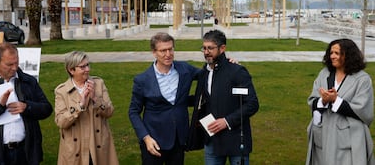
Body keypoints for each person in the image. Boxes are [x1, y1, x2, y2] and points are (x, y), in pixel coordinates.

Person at [128, 32, 202, 165]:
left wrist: (227, 63)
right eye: (163, 50)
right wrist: (146, 138)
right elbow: (133, 112)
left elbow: (207, 74)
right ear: (154, 52)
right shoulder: (142, 80)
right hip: (153, 141)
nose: (168, 54)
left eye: (170, 49)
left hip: (179, 140)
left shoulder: (185, 69)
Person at [188, 29, 259, 165]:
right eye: (204, 48)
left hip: (236, 141)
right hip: (212, 140)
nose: (206, 52)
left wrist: (226, 121)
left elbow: (252, 104)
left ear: (222, 48)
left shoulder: (237, 72)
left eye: (210, 48)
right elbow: (204, 99)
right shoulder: (204, 72)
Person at [305, 39, 374, 165]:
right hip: (323, 135)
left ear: (348, 55)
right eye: (331, 53)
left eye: (337, 53)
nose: (332, 56)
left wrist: (336, 100)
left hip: (349, 140)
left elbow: (364, 110)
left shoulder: (363, 80)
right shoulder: (324, 74)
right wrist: (323, 101)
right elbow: (312, 101)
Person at [54, 51, 118, 165]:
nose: (87, 69)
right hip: (74, 149)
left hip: (98, 144)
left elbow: (109, 112)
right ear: (71, 70)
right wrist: (80, 105)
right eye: (83, 67)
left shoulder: (98, 84)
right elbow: (61, 122)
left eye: (88, 65)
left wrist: (95, 99)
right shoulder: (62, 91)